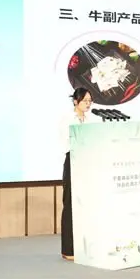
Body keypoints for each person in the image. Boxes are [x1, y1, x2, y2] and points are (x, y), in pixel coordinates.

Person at [59, 87, 93, 261]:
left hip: (87, 162)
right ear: (75, 101)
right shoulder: (67, 119)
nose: (88, 104)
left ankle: (85, 246)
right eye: (85, 101)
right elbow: (66, 141)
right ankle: (68, 249)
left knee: (86, 204)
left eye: (90, 101)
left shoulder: (91, 120)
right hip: (73, 160)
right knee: (71, 204)